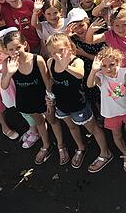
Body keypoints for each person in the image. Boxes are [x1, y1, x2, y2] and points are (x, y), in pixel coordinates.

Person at [46, 33, 113, 172]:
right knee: (71, 127)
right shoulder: (50, 62)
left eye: (61, 50)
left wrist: (65, 65)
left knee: (93, 128)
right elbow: (52, 80)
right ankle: (80, 147)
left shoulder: (76, 62)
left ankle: (105, 153)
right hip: (61, 104)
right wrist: (50, 96)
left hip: (78, 105)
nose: (57, 55)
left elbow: (79, 74)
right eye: (53, 52)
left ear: (69, 47)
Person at [0, 31, 67, 166]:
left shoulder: (37, 59)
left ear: (24, 45)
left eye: (18, 47)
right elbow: (4, 85)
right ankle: (46, 145)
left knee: (52, 120)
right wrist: (10, 72)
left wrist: (50, 99)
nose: (15, 52)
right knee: (39, 122)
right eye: (11, 49)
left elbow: (48, 81)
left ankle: (61, 145)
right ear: (6, 51)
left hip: (43, 98)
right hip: (25, 99)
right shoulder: (7, 63)